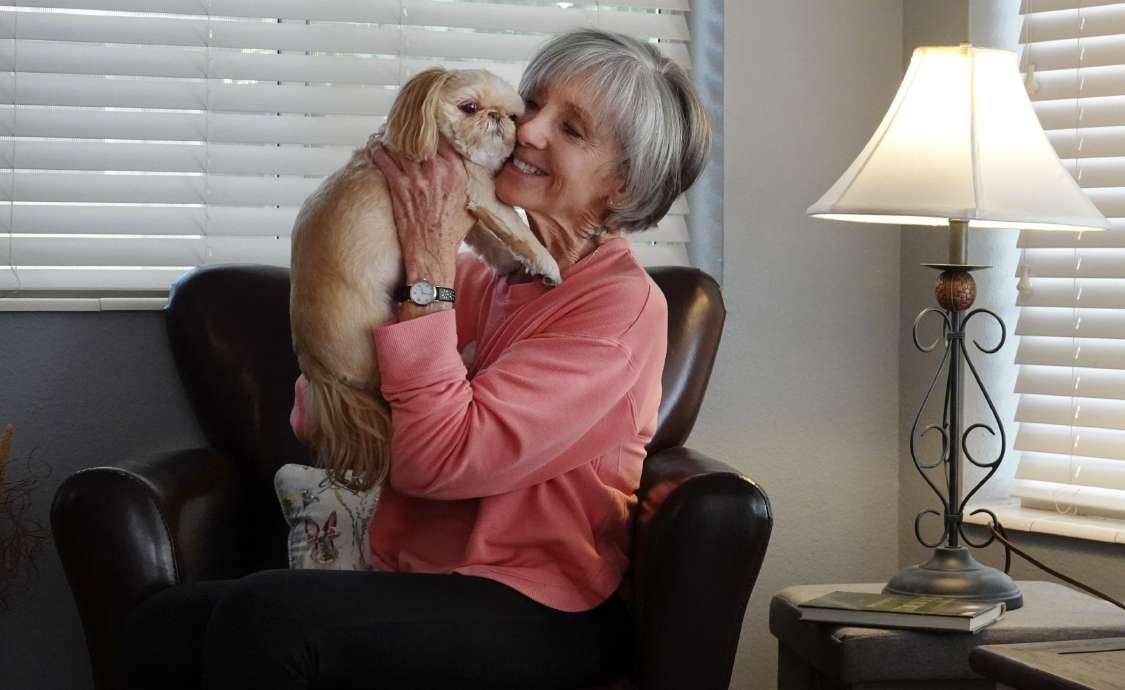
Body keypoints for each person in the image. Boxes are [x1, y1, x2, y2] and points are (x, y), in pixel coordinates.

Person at [122, 28, 710, 690]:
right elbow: (318, 420)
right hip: (414, 574)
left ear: (623, 186)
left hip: (536, 602)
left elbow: (437, 463)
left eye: (571, 129)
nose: (528, 129)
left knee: (266, 619)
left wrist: (429, 269)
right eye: (534, 103)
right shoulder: (482, 276)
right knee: (164, 626)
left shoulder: (617, 311)